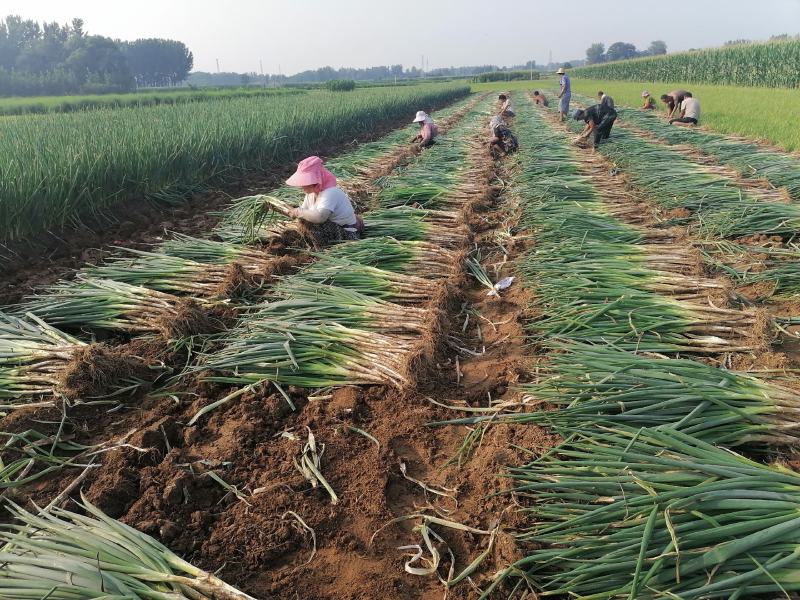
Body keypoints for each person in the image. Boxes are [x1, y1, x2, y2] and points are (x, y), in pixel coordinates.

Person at [285, 156, 362, 245]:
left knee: (313, 227)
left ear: (314, 182)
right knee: (306, 222)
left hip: (346, 231)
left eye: (305, 182)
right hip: (333, 227)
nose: (302, 186)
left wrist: (298, 212)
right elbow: (305, 211)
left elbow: (320, 217)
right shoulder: (311, 194)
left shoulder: (330, 192)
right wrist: (292, 212)